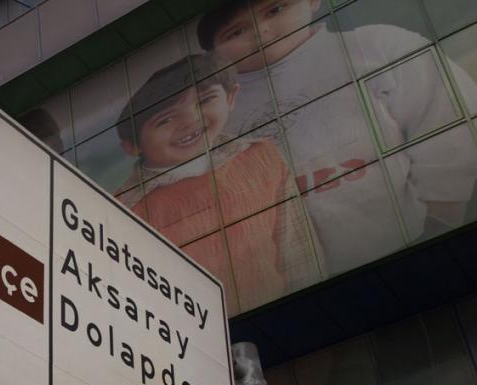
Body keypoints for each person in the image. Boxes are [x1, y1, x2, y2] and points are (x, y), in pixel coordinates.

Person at [196, 0, 477, 273]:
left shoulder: (376, 46)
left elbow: (450, 127)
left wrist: (440, 231)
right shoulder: (212, 110)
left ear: (312, 1)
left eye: (276, 9)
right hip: (296, 287)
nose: (261, 32)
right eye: (236, 31)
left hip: (419, 250)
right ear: (213, 51)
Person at [117, 53, 298, 310]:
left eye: (204, 101)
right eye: (165, 120)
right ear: (132, 146)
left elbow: (296, 247)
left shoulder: (260, 156)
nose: (191, 121)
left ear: (231, 97)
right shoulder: (123, 210)